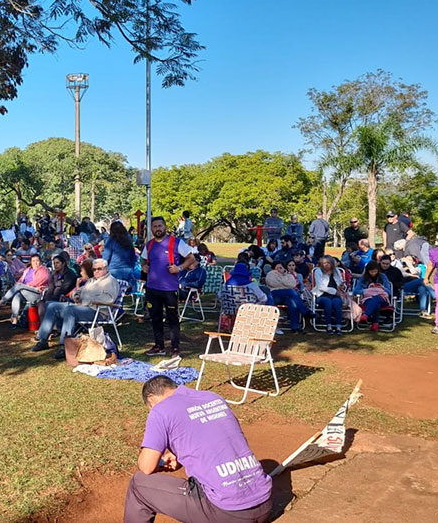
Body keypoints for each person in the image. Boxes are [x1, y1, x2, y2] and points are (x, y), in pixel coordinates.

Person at [123, 376, 272, 523]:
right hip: (265, 503)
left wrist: (158, 462)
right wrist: (177, 455)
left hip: (227, 512)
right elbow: (211, 438)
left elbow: (147, 466)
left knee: (138, 485)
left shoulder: (160, 410)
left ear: (151, 400)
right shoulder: (213, 397)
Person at [30, 258, 118, 358]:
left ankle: (65, 345)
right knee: (51, 305)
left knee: (70, 310)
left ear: (106, 268)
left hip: (97, 311)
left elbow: (109, 299)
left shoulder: (110, 281)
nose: (96, 271)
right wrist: (76, 295)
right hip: (82, 307)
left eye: (99, 269)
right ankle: (43, 340)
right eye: (94, 269)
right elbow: (80, 291)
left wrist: (88, 299)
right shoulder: (92, 280)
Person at [140, 216, 195, 357]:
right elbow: (143, 259)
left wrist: (179, 268)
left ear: (165, 227)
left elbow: (191, 258)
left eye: (160, 226)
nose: (157, 229)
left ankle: (175, 347)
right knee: (155, 318)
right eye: (155, 226)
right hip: (152, 288)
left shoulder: (176, 242)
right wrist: (144, 266)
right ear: (151, 229)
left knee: (172, 319)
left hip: (169, 289)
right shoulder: (149, 244)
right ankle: (159, 346)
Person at [2, 253, 50, 326]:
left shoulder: (44, 270)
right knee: (17, 296)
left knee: (19, 286)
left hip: (37, 292)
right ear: (31, 262)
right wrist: (18, 286)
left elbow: (39, 281)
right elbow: (21, 280)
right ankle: (15, 318)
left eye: (37, 260)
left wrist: (24, 286)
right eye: (33, 261)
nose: (35, 262)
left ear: (40, 262)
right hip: (25, 291)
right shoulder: (27, 270)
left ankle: (2, 301)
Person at [265, 262, 313, 333]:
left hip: (286, 296)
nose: (279, 270)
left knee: (292, 303)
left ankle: (295, 327)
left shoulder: (289, 275)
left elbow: (293, 284)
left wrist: (281, 279)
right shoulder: (270, 274)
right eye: (277, 268)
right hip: (274, 295)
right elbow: (273, 284)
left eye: (280, 268)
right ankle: (305, 311)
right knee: (290, 291)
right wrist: (285, 283)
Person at [311, 256, 348, 335]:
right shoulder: (318, 271)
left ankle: (338, 327)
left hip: (335, 295)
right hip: (322, 295)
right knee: (328, 302)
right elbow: (320, 287)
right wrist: (334, 291)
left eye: (328, 263)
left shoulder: (336, 271)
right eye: (324, 263)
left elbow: (341, 283)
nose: (326, 265)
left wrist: (342, 286)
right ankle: (329, 326)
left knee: (337, 303)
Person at [354, 261, 392, 331]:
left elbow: (389, 292)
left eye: (375, 271)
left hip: (382, 298)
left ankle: (366, 315)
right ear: (368, 271)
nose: (373, 273)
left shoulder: (383, 277)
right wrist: (366, 290)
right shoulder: (363, 278)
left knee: (376, 298)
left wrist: (382, 288)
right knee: (375, 302)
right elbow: (355, 291)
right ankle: (375, 324)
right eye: (371, 272)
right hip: (368, 299)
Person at [102, 221, 138, 287]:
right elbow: (133, 256)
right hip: (128, 269)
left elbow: (106, 257)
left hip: (114, 269)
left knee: (114, 291)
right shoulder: (128, 240)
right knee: (127, 290)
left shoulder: (110, 240)